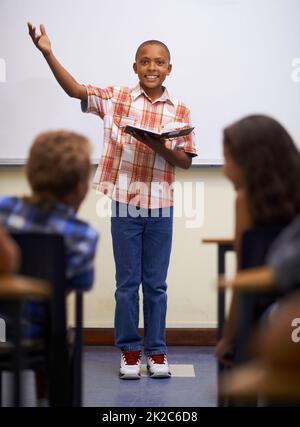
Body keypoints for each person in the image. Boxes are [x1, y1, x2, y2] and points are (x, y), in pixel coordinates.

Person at [27, 23, 198, 379]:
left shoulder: (180, 108)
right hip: (124, 204)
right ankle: (130, 352)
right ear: (134, 67)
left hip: (161, 206)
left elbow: (184, 161)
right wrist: (47, 52)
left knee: (156, 284)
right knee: (127, 284)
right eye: (145, 62)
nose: (152, 68)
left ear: (170, 68)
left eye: (159, 62)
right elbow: (75, 90)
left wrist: (155, 144)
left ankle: (157, 351)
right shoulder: (117, 97)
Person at [0, 130, 99, 405]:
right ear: (81, 187)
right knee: (56, 328)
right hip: (37, 335)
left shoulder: (3, 209)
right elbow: (80, 283)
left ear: (31, 173)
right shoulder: (82, 236)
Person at [215, 114, 300, 367]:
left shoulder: (247, 201)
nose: (224, 170)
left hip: (272, 324)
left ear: (252, 163)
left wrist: (229, 339)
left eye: (228, 161)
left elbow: (244, 280)